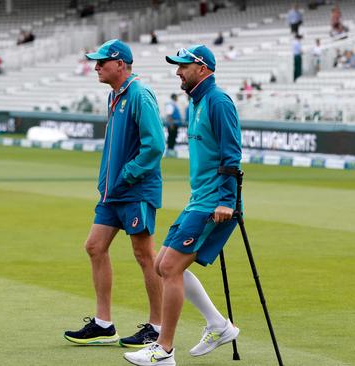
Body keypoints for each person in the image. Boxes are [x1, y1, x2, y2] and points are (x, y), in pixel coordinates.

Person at [124, 44, 241, 366]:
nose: (178, 71)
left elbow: (232, 154)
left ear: (202, 69)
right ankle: (219, 326)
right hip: (199, 199)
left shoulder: (218, 101)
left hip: (214, 202)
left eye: (183, 66)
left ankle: (164, 350)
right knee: (163, 264)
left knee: (170, 267)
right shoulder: (197, 102)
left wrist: (227, 200)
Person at [63, 39, 166, 349]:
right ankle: (104, 324)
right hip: (113, 192)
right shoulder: (115, 95)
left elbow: (155, 146)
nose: (96, 66)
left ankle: (158, 327)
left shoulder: (139, 94)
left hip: (135, 190)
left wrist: (127, 174)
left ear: (120, 64)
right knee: (95, 246)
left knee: (145, 255)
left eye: (102, 62)